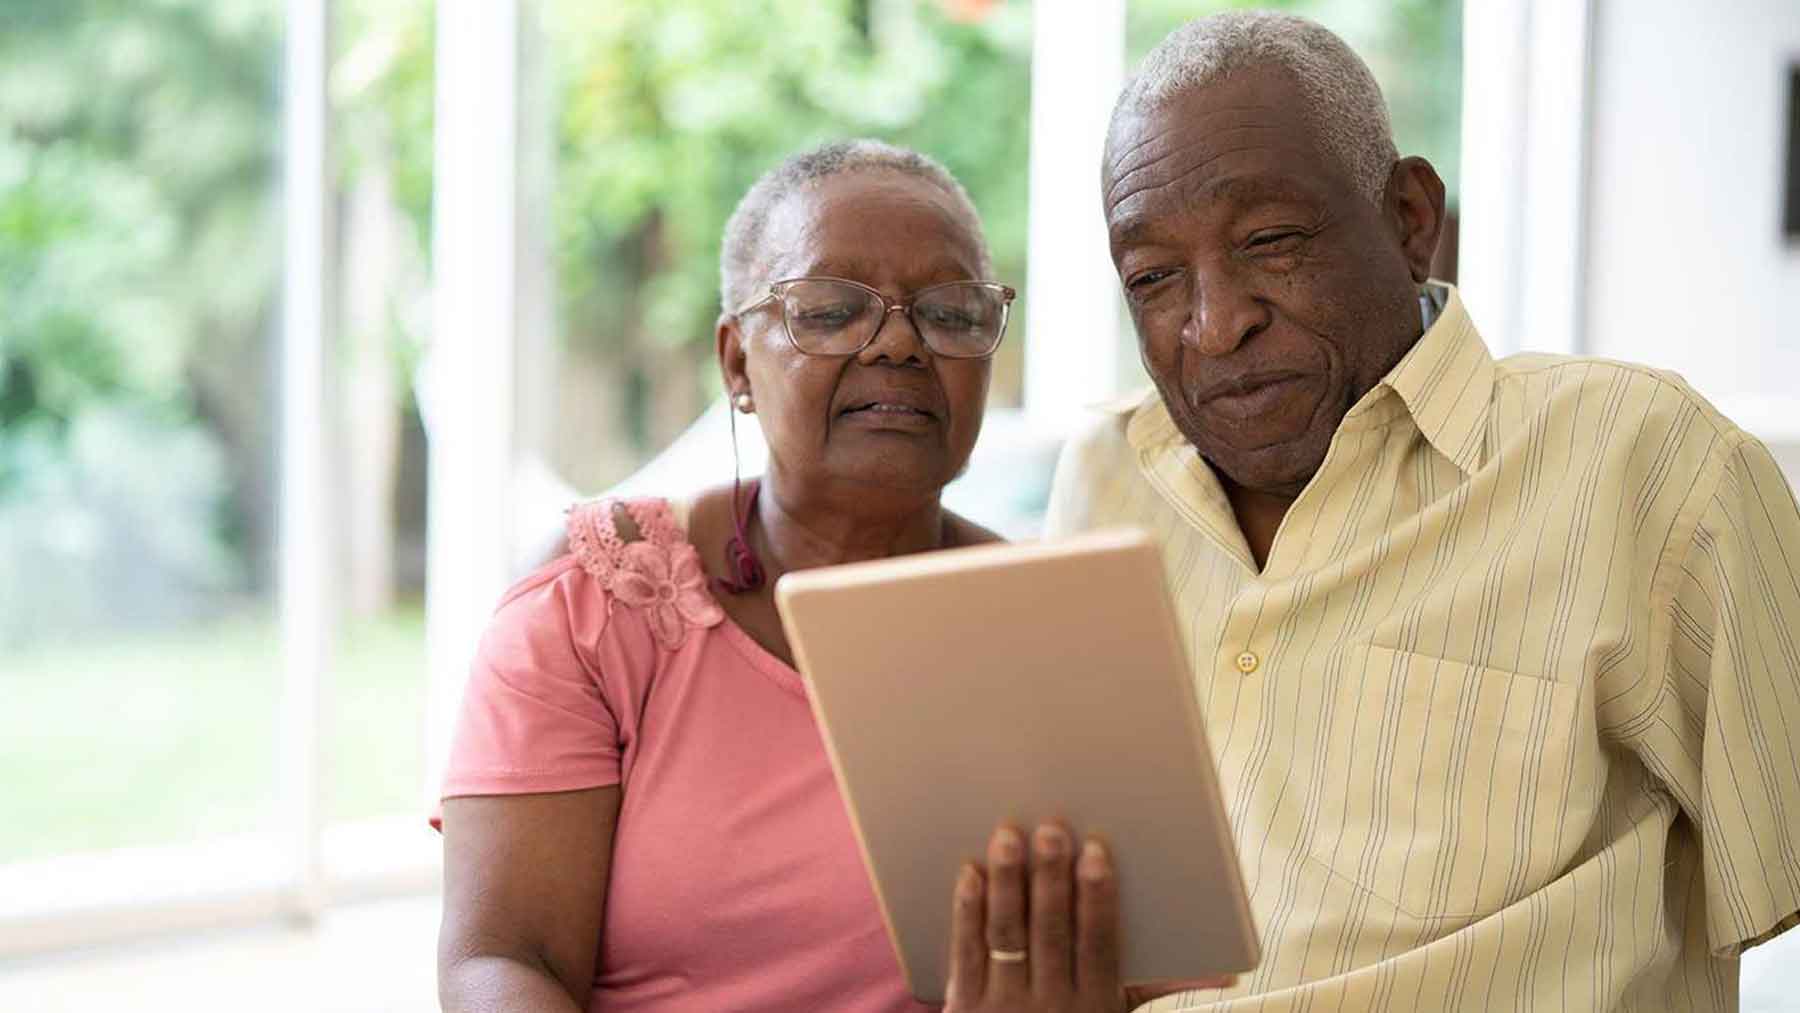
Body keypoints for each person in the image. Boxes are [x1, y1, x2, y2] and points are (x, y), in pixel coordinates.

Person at [1045, 11, 1800, 1011]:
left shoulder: (1649, 464)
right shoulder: (1103, 478)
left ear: (1411, 217)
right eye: (1152, 278)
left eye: (1270, 241)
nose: (1216, 321)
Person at [435, 140, 1226, 1013]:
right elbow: (504, 957)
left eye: (950, 312)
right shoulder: (597, 599)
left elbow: (1161, 972)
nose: (898, 342)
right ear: (737, 363)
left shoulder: (1067, 633)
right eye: (829, 309)